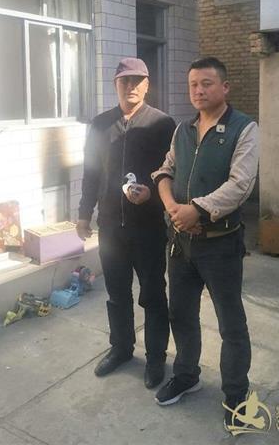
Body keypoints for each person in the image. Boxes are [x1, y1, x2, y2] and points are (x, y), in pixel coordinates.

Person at [152, 56, 259, 432]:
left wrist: (196, 209)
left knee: (231, 324)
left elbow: (240, 185)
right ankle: (186, 375)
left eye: (207, 83)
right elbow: (164, 170)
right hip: (180, 244)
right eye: (193, 84)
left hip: (220, 246)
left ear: (224, 87)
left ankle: (236, 396)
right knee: (180, 314)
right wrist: (173, 208)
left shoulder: (244, 128)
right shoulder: (183, 130)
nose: (198, 90)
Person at [76, 57, 175, 389]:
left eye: (137, 81)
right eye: (124, 81)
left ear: (147, 85)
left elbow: (172, 174)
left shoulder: (162, 124)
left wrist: (153, 196)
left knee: (153, 294)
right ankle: (121, 348)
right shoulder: (100, 124)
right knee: (117, 293)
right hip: (110, 227)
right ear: (115, 85)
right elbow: (91, 172)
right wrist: (83, 213)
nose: (130, 86)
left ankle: (156, 357)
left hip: (148, 227)